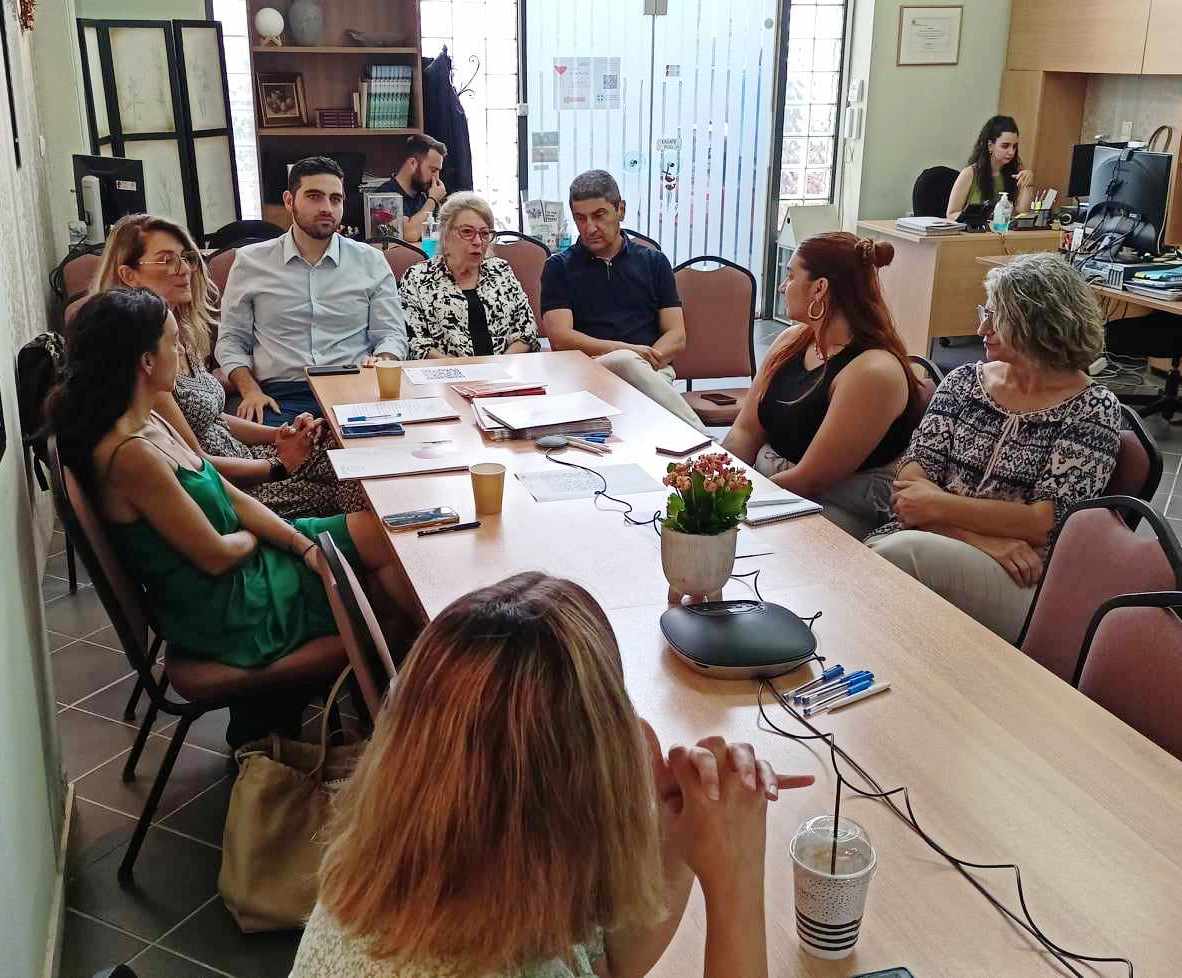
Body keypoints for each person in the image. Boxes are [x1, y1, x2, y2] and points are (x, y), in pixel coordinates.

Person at [292, 572, 814, 978]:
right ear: (575, 789)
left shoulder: (422, 856)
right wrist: (736, 880)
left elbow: (605, 964)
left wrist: (673, 837)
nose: (636, 730)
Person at [48, 289, 405, 742]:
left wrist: (302, 545)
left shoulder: (148, 418)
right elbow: (217, 554)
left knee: (381, 536)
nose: (182, 350)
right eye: (173, 342)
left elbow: (230, 497)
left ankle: (387, 707)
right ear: (146, 362)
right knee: (390, 595)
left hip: (248, 565)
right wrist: (269, 537)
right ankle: (397, 715)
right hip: (232, 605)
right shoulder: (130, 455)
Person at [868, 253, 1122, 643]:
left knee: (898, 558)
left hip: (1020, 576)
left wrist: (935, 506)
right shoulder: (964, 381)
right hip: (950, 540)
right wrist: (976, 537)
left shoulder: (1092, 409)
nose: (982, 327)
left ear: (1039, 324)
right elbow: (910, 481)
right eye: (984, 312)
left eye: (996, 316)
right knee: (887, 557)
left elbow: (1043, 522)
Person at [94, 213, 365, 519]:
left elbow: (210, 416)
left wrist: (280, 435)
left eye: (186, 258)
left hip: (244, 459)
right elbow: (195, 465)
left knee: (348, 452)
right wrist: (280, 465)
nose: (185, 269)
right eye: (166, 260)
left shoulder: (176, 333)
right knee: (352, 482)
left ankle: (367, 541)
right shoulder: (143, 359)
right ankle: (352, 542)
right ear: (128, 275)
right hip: (228, 490)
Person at [723, 233, 922, 539]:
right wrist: (714, 478)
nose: (783, 286)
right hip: (772, 488)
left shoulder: (873, 372)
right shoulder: (790, 341)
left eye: (791, 276)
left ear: (820, 288)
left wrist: (731, 503)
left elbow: (810, 479)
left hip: (833, 506)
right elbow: (745, 432)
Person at [216, 156, 409, 425]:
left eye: (335, 199)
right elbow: (231, 341)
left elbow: (391, 333)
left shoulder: (370, 261)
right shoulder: (251, 262)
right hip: (281, 395)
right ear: (289, 200)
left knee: (393, 445)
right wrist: (250, 391)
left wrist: (383, 359)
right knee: (277, 449)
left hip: (355, 388)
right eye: (314, 197)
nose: (327, 208)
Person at [541, 169, 707, 433]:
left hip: (653, 369)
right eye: (580, 218)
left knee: (633, 370)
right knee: (625, 361)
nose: (590, 228)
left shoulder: (654, 262)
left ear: (621, 210)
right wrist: (628, 352)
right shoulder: (559, 267)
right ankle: (704, 440)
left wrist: (643, 363)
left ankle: (697, 445)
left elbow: (676, 336)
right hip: (590, 371)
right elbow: (561, 339)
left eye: (599, 215)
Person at [402, 192, 541, 359]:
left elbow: (528, 331)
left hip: (504, 369)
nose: (478, 241)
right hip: (444, 373)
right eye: (467, 232)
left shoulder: (501, 271)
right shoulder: (418, 278)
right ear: (445, 234)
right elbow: (415, 343)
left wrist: (501, 364)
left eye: (484, 233)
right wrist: (460, 370)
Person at [947, 115, 1034, 221]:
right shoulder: (970, 173)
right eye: (1005, 146)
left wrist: (1027, 184)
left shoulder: (1016, 171)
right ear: (990, 145)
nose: (1011, 152)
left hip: (1003, 230)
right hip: (974, 230)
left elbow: (1021, 214)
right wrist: (978, 218)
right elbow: (951, 214)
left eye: (1014, 146)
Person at [376, 134, 448, 243]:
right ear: (412, 163)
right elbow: (409, 234)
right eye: (433, 170)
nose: (437, 178)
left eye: (439, 171)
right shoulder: (385, 196)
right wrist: (432, 200)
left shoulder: (423, 196)